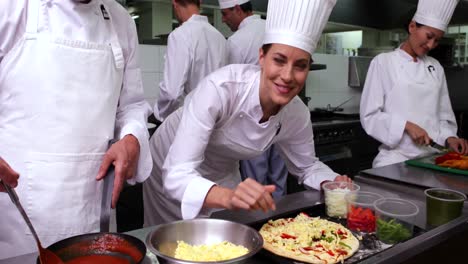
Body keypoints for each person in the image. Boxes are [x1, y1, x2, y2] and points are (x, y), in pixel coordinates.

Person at [143, 0, 351, 226]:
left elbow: (307, 166)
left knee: (229, 238)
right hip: (172, 162)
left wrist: (331, 182)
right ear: (262, 57)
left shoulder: (296, 113)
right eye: (279, 60)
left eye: (300, 66)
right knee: (175, 239)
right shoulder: (221, 88)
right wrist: (228, 196)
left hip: (223, 171)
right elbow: (176, 175)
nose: (288, 76)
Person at [0, 0, 152, 259]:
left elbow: (132, 105)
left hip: (95, 215)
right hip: (19, 225)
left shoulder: (120, 20)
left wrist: (131, 138)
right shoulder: (11, 9)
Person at [360, 0, 468, 168]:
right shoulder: (383, 62)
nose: (431, 45)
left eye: (437, 40)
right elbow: (370, 116)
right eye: (429, 36)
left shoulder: (435, 67)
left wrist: (450, 138)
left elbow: (443, 114)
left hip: (432, 159)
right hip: (395, 160)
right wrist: (406, 126)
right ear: (412, 27)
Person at [218, 0, 288, 198]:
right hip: (281, 115)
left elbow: (230, 86)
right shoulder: (274, 30)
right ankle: (281, 220)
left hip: (250, 121)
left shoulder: (237, 41)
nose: (223, 20)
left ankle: (260, 224)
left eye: (225, 14)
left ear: (238, 9)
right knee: (278, 179)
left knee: (255, 182)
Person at [154, 0, 227, 121]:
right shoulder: (220, 38)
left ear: (175, 3)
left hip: (189, 121)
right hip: (216, 121)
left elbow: (172, 93)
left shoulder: (180, 35)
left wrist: (159, 115)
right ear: (200, 2)